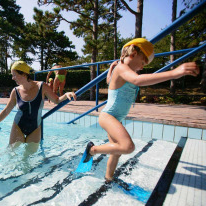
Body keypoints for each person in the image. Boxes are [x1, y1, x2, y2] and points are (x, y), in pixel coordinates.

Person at [83, 38, 200, 183]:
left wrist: (110, 71)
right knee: (127, 146)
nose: (143, 67)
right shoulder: (121, 68)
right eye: (143, 62)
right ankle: (92, 150)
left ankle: (108, 179)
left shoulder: (122, 71)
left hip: (115, 117)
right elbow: (138, 80)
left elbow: (110, 81)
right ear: (133, 54)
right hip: (108, 116)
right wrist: (174, 73)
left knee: (116, 152)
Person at [0, 61, 76, 153]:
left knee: (28, 160)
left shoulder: (42, 86)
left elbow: (56, 100)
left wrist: (66, 95)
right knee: (10, 154)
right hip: (18, 127)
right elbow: (6, 110)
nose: (12, 78)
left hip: (35, 129)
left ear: (24, 74)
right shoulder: (15, 91)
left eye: (14, 75)